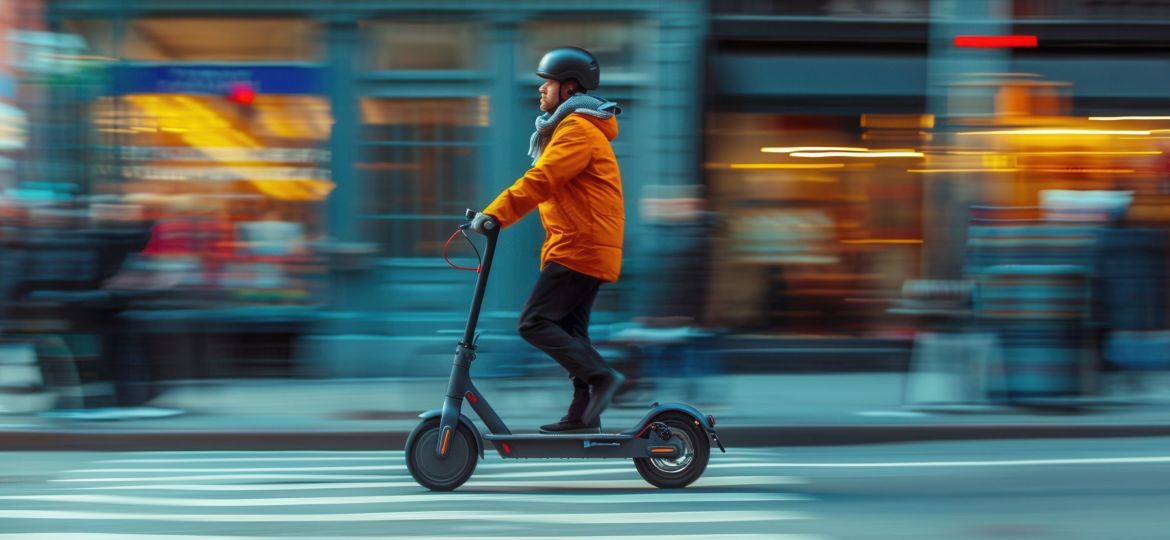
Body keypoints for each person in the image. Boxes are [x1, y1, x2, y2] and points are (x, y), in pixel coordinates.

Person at [469, 47, 625, 433]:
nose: (540, 92)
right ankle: (582, 414)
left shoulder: (577, 130)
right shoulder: (574, 128)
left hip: (580, 247)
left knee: (533, 323)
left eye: (547, 84)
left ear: (568, 88)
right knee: (571, 332)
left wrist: (496, 214)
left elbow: (543, 180)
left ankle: (602, 378)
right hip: (582, 246)